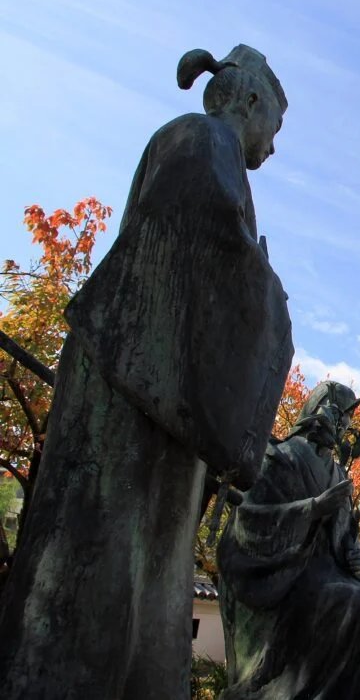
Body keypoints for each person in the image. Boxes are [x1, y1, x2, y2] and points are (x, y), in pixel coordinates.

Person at [0, 45, 293, 700]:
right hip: (135, 377)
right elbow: (204, 251)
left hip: (164, 386)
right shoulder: (196, 138)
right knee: (96, 558)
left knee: (148, 574)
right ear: (248, 105)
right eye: (274, 130)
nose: (273, 149)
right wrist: (268, 297)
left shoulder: (213, 151)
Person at [218, 381, 360, 699]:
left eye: (346, 418)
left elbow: (344, 533)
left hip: (331, 573)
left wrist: (353, 553)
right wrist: (313, 508)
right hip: (289, 577)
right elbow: (250, 518)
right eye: (335, 412)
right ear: (313, 410)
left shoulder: (338, 474)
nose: (342, 423)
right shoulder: (277, 457)